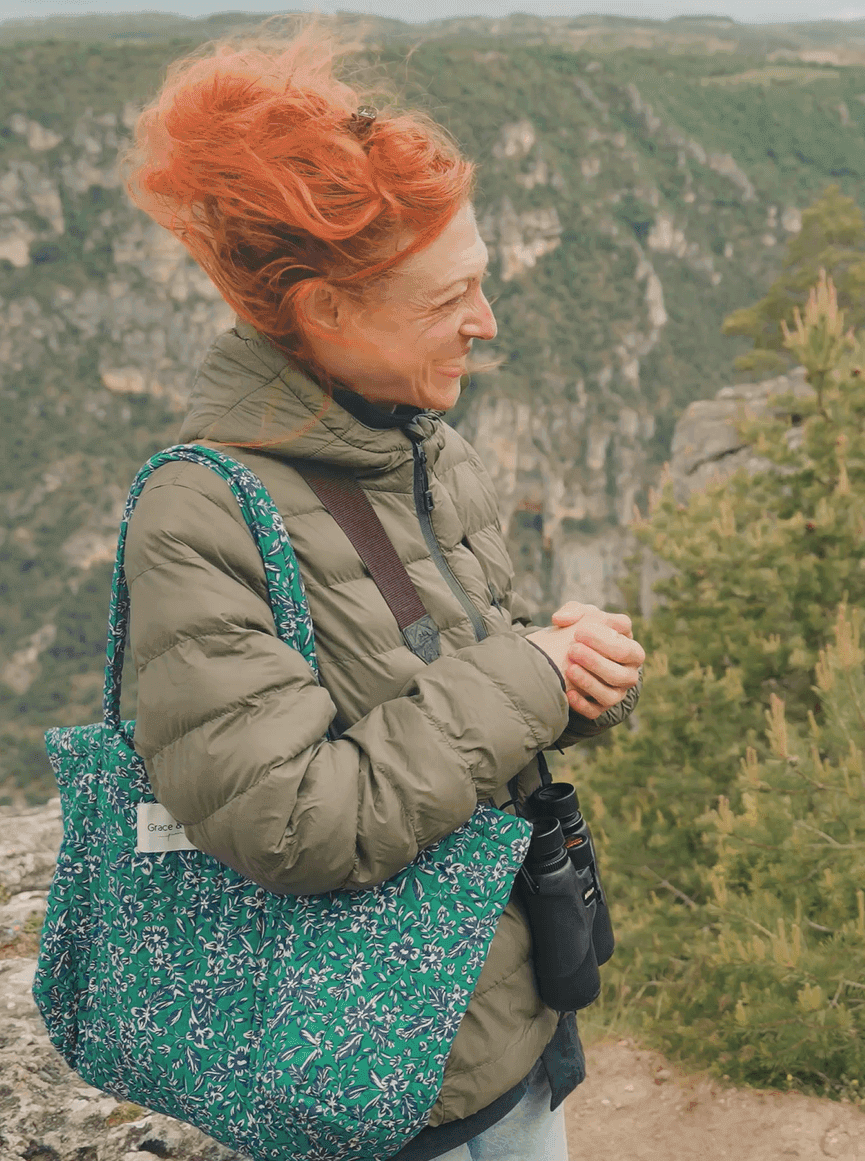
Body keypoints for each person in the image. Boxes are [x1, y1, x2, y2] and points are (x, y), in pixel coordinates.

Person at [118, 25, 645, 1161]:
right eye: (448, 296)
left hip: (506, 1004)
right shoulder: (200, 514)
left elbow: (474, 689)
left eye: (483, 281)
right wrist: (525, 674)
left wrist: (571, 675)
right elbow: (295, 824)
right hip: (375, 1069)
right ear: (325, 312)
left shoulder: (428, 451)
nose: (487, 323)